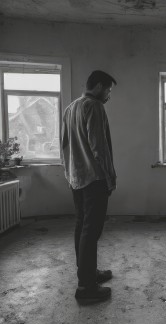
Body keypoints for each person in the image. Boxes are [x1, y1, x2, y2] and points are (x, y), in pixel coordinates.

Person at [61, 70, 117, 301]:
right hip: (94, 179)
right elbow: (99, 147)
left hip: (77, 178)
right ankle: (86, 288)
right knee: (91, 230)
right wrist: (110, 177)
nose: (108, 96)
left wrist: (69, 174)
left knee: (82, 227)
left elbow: (63, 146)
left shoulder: (70, 107)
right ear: (99, 87)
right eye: (108, 90)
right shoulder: (94, 106)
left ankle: (87, 273)